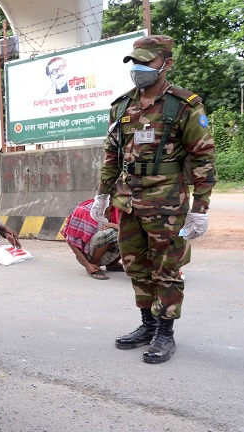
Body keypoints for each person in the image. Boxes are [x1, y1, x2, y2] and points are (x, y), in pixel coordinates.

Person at [91, 35, 217, 364]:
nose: (139, 69)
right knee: (135, 265)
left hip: (166, 202)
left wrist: (200, 209)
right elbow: (111, 154)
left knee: (167, 269)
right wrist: (102, 193)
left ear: (166, 64)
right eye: (135, 63)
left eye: (147, 63)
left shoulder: (183, 105)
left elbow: (204, 159)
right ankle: (147, 324)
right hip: (128, 200)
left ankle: (165, 332)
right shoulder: (122, 106)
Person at [61, 199, 121, 280]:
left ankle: (112, 264)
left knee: (130, 234)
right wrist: (87, 264)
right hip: (87, 256)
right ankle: (94, 265)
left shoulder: (119, 209)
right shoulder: (84, 210)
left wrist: (115, 225)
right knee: (111, 233)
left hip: (108, 254)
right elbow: (70, 239)